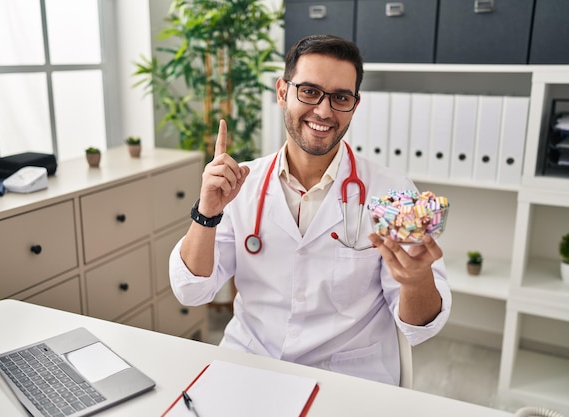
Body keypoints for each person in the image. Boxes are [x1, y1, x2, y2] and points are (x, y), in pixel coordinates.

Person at [169, 34, 451, 385]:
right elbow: (192, 291)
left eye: (340, 97)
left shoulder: (394, 195)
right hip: (251, 365)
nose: (323, 110)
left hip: (348, 378)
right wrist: (207, 212)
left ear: (355, 104)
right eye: (309, 91)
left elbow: (421, 327)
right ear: (283, 92)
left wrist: (415, 279)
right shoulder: (240, 185)